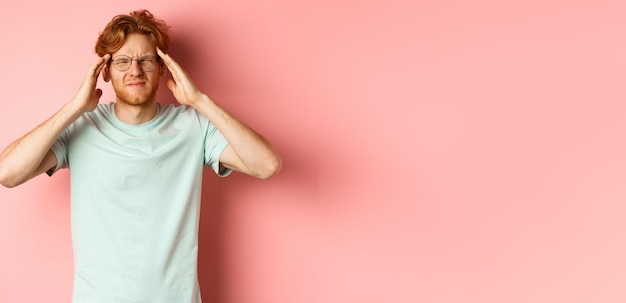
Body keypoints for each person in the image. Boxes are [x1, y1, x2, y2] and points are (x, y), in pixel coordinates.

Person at [0, 9, 281, 303]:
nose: (135, 71)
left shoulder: (192, 126)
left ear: (161, 67)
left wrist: (199, 100)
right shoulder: (82, 126)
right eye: (122, 61)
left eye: (145, 60)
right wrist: (74, 108)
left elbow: (267, 165)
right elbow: (8, 173)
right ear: (104, 71)